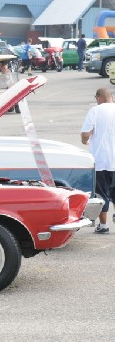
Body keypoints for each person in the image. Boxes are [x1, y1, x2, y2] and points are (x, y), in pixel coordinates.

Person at [80, 88, 115, 234]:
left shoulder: (95, 110)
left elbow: (85, 133)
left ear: (99, 97)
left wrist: (85, 141)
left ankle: (103, 225)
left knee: (101, 194)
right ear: (111, 97)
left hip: (101, 160)